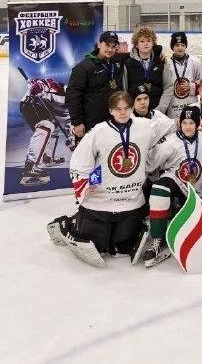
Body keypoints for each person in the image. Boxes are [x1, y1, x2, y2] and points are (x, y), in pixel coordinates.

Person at [47, 91, 174, 268]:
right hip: (100, 201)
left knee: (123, 248)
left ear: (132, 109)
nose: (122, 112)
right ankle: (67, 224)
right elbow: (81, 161)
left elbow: (176, 126)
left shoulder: (145, 126)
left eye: (126, 108)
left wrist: (201, 127)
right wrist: (85, 184)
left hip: (130, 201)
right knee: (99, 246)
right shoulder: (99, 131)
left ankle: (126, 230)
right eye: (118, 109)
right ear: (110, 110)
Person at [142, 105, 202, 267]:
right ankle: (158, 239)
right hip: (176, 183)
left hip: (196, 192)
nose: (187, 127)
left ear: (197, 123)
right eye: (184, 122)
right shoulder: (169, 141)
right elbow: (150, 164)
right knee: (159, 190)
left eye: (191, 123)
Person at [65, 31, 127, 139]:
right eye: (107, 45)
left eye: (113, 46)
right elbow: (73, 95)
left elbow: (140, 53)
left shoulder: (118, 61)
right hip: (92, 123)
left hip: (114, 120)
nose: (110, 49)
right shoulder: (84, 67)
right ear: (99, 44)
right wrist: (77, 122)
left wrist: (157, 52)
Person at [20, 77, 73, 186]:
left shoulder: (75, 109)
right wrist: (38, 86)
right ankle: (31, 166)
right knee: (47, 126)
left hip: (43, 108)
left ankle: (48, 157)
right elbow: (43, 83)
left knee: (54, 128)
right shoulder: (59, 89)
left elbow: (70, 125)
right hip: (31, 102)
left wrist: (72, 140)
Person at [125, 27, 173, 115]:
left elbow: (168, 86)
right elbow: (125, 90)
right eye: (142, 41)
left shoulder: (161, 62)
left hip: (158, 112)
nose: (146, 44)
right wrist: (131, 110)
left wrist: (160, 109)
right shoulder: (128, 64)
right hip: (135, 114)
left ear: (153, 43)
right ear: (136, 44)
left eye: (148, 41)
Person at [164, 32, 202, 119]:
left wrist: (192, 86)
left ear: (186, 46)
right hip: (173, 107)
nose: (180, 48)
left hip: (192, 104)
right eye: (177, 45)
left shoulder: (195, 62)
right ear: (172, 47)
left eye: (183, 45)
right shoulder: (167, 65)